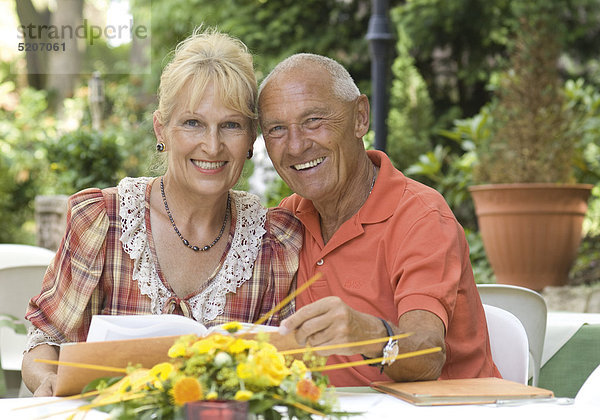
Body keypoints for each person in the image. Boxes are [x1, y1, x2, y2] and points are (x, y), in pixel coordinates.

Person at [22, 29, 302, 397]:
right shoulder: (103, 220)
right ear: (162, 129)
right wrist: (49, 381)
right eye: (192, 123)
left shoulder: (274, 244)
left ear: (251, 139)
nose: (212, 145)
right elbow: (45, 338)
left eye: (231, 125)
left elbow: (285, 371)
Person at [258, 53, 500, 386]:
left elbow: (427, 355)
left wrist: (367, 333)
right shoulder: (287, 222)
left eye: (313, 120)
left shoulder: (420, 217)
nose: (296, 145)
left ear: (360, 118)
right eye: (276, 129)